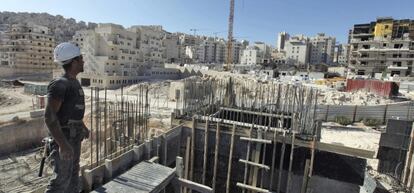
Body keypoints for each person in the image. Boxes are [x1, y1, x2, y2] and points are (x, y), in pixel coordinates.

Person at [44, 42, 89, 193]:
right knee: (61, 181)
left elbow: (70, 111)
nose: (83, 61)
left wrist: (82, 126)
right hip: (65, 138)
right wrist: (62, 144)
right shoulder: (60, 84)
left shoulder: (74, 83)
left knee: (72, 179)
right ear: (74, 61)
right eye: (81, 58)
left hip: (74, 138)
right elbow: (50, 117)